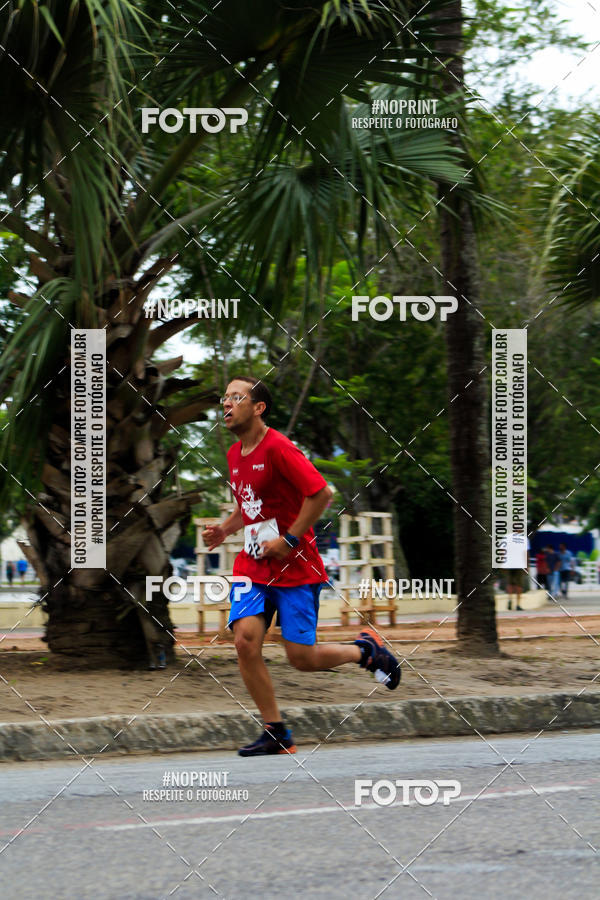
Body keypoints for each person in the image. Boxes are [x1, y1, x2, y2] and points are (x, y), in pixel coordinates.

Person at [202, 376, 401, 757]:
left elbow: (321, 493)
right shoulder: (234, 454)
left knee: (301, 658)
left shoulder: (279, 448)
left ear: (258, 408)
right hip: (253, 565)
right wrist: (224, 529)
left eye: (236, 398)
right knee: (244, 642)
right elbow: (249, 507)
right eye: (224, 398)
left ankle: (365, 651)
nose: (226, 404)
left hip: (295, 566)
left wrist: (289, 539)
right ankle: (276, 732)